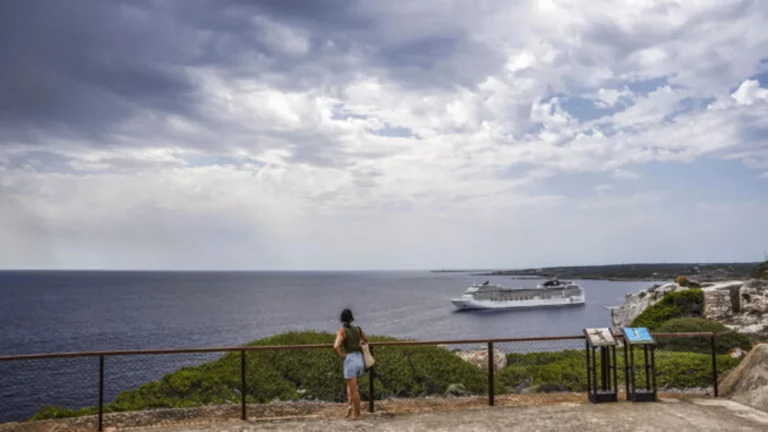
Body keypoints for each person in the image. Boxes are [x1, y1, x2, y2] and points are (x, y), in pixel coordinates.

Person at [333, 308, 368, 420]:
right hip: (359, 359)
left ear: (342, 319)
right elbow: (365, 339)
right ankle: (349, 407)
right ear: (352, 318)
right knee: (351, 386)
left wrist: (341, 354)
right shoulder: (358, 329)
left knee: (354, 390)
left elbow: (336, 346)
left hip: (351, 360)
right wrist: (359, 344)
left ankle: (357, 413)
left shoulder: (342, 331)